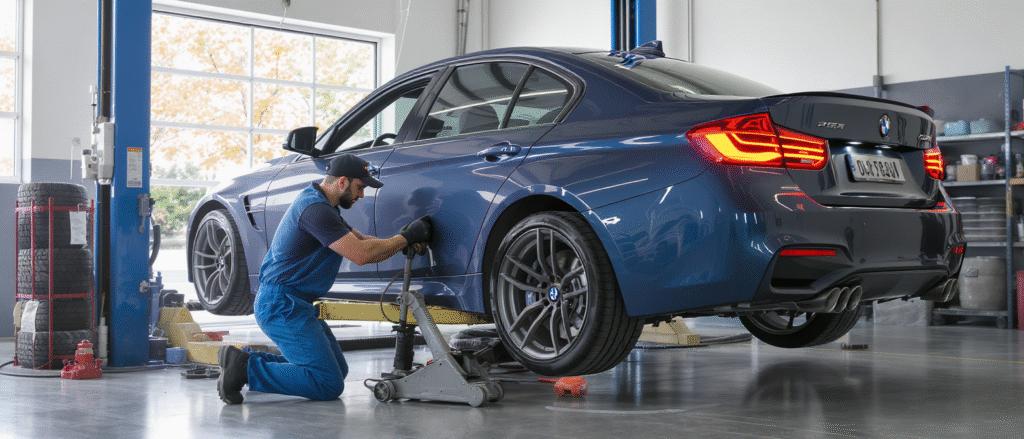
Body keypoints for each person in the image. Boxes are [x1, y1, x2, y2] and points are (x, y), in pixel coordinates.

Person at [217, 153, 433, 404]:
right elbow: (361, 254)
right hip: (281, 304)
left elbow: (361, 240)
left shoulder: (322, 206)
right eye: (359, 187)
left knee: (337, 371)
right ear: (342, 181)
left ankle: (242, 361)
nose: (361, 195)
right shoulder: (315, 210)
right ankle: (245, 369)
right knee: (327, 382)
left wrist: (401, 238)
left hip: (293, 302)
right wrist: (406, 238)